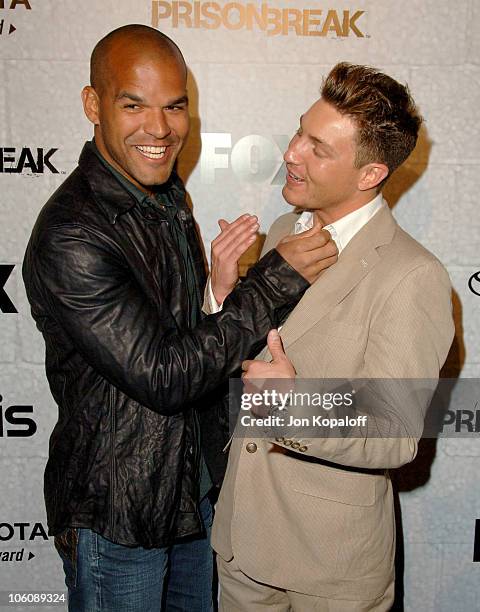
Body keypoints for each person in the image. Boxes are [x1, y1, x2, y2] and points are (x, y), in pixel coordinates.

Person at [21, 24, 338, 612]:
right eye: (133, 104)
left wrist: (217, 292)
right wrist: (273, 280)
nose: (160, 128)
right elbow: (164, 375)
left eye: (175, 106)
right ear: (93, 105)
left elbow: (181, 333)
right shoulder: (73, 233)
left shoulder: (167, 196)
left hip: (191, 498)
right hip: (121, 515)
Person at [210, 63, 455, 611]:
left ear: (369, 175)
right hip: (240, 548)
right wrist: (225, 303)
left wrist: (296, 405)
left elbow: (394, 432)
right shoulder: (281, 231)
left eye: (318, 148)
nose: (291, 152)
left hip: (325, 573)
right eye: (300, 131)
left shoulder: (412, 275)